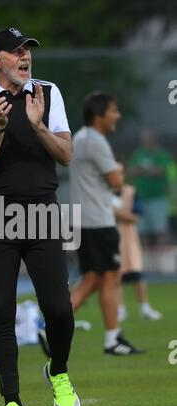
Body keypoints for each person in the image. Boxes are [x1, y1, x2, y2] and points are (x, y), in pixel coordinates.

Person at [0, 27, 80, 406]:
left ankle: (57, 370)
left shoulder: (47, 92)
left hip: (43, 212)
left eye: (28, 49)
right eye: (16, 51)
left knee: (60, 310)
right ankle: (13, 404)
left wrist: (39, 125)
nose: (25, 56)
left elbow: (66, 155)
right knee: (1, 312)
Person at [70, 91, 144, 355]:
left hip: (83, 220)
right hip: (98, 220)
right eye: (114, 110)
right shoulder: (97, 141)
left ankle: (110, 337)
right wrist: (119, 171)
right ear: (99, 115)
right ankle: (111, 338)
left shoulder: (78, 137)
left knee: (93, 278)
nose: (118, 115)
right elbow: (116, 182)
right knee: (108, 278)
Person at [112, 183, 162, 321]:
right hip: (110, 239)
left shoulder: (131, 192)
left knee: (137, 274)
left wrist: (117, 213)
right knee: (116, 276)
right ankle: (120, 310)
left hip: (129, 240)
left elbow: (136, 217)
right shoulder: (103, 191)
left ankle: (145, 307)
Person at [129, 129, 173, 245]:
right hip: (141, 198)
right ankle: (145, 261)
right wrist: (148, 170)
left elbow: (160, 172)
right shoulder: (138, 154)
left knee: (161, 230)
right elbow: (132, 171)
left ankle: (164, 258)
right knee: (142, 232)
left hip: (158, 198)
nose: (146, 141)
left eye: (149, 139)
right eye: (144, 139)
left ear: (154, 139)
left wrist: (143, 170)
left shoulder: (162, 154)